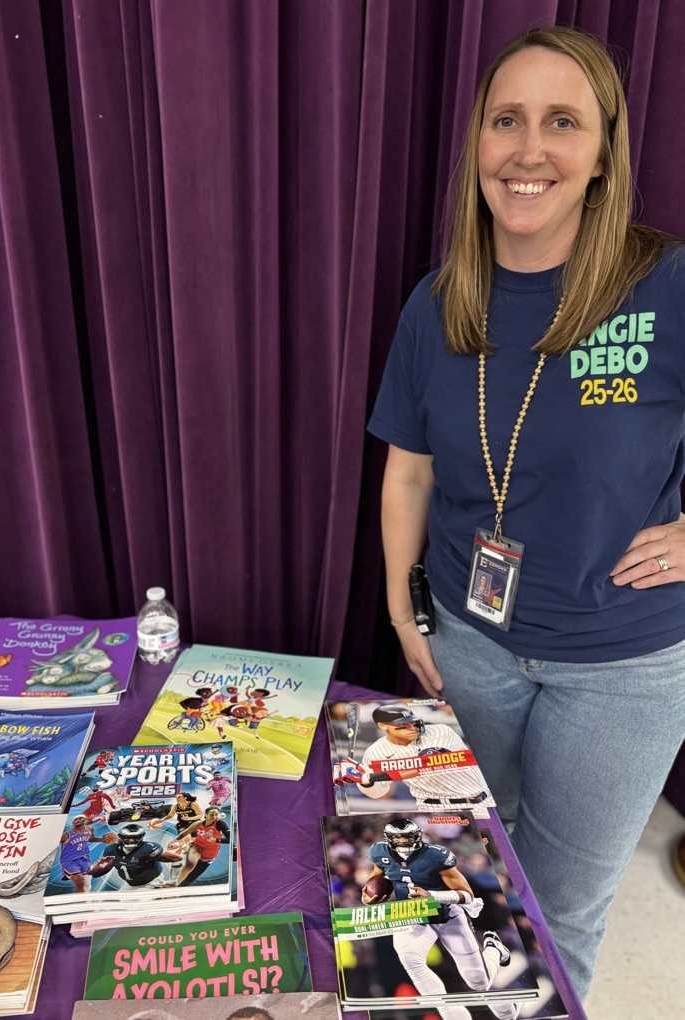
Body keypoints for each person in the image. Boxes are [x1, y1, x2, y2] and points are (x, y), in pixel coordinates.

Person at [367, 24, 685, 1000]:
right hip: (471, 643)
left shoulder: (666, 284)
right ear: (478, 144)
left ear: (602, 153)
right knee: (468, 879)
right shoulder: (438, 303)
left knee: (561, 913)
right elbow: (409, 472)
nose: (529, 149)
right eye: (506, 120)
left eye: (561, 122)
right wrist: (400, 607)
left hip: (624, 671)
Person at [363, 818, 516, 1020]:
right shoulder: (379, 852)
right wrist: (368, 896)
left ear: (417, 836)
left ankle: (494, 949)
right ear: (389, 839)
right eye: (398, 839)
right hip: (412, 914)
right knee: (410, 960)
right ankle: (449, 1012)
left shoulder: (436, 855)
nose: (403, 843)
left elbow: (467, 895)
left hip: (446, 913)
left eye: (407, 838)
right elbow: (378, 878)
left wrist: (433, 896)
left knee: (477, 981)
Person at [333, 704, 492, 810]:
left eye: (412, 722)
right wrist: (364, 780)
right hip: (432, 809)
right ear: (382, 726)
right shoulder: (375, 751)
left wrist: (374, 774)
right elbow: (378, 793)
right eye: (402, 724)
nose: (412, 728)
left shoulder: (440, 731)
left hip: (480, 800)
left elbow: (430, 764)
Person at [101, 823, 182, 888]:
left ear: (141, 837)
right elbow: (102, 866)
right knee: (118, 907)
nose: (131, 840)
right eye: (128, 838)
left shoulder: (148, 849)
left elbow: (176, 858)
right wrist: (93, 869)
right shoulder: (111, 850)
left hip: (151, 883)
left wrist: (172, 882)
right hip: (130, 885)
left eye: (135, 838)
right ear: (121, 837)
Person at [168, 806, 230, 887]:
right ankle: (173, 884)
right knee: (190, 864)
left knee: (190, 878)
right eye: (212, 814)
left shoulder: (220, 823)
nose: (214, 817)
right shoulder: (198, 823)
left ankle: (179, 889)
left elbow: (230, 839)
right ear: (206, 814)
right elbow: (184, 833)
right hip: (197, 847)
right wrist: (174, 840)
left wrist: (214, 840)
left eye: (216, 814)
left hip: (210, 853)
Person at [58, 813, 113, 893]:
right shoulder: (66, 835)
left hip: (84, 859)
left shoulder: (90, 829)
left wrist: (102, 840)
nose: (78, 820)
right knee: (80, 882)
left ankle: (83, 902)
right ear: (73, 823)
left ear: (85, 820)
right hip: (69, 860)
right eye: (75, 819)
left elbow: (91, 839)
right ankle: (67, 874)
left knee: (86, 884)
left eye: (80, 818)